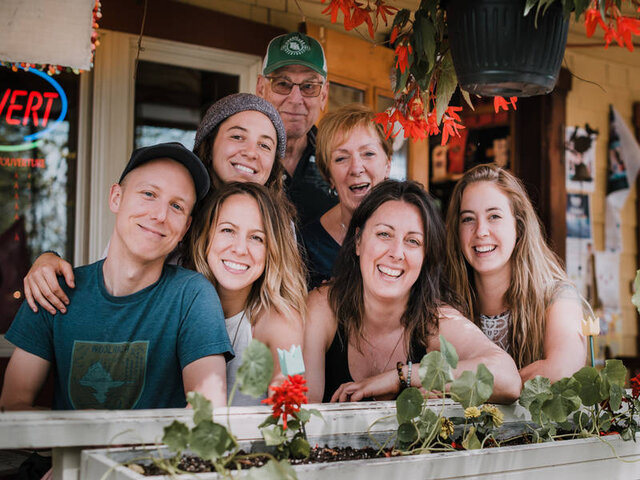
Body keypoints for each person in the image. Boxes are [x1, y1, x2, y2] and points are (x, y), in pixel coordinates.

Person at [0, 143, 232, 410]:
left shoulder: (192, 296)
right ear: (116, 198)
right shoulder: (53, 289)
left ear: (186, 227)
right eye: (149, 194)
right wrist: (86, 434)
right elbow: (13, 405)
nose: (160, 215)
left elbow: (206, 410)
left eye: (177, 206)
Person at [22, 93, 289, 316]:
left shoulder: (282, 227)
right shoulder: (168, 217)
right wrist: (49, 260)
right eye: (237, 137)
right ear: (209, 144)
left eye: (265, 145)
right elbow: (115, 282)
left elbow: (288, 303)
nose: (251, 152)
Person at [303, 180, 522, 403]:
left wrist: (403, 377)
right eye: (384, 234)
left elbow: (508, 380)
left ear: (426, 256)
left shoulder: (434, 318)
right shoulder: (324, 306)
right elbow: (302, 410)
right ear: (358, 241)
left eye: (413, 241)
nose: (397, 253)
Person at [445, 164, 587, 384]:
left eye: (494, 216)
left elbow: (562, 370)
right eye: (468, 219)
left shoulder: (558, 296)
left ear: (519, 227)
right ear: (457, 231)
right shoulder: (446, 302)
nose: (481, 231)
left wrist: (495, 384)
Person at [184, 182, 306, 405]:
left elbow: (291, 381)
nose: (240, 249)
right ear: (206, 236)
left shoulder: (280, 320)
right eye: (228, 230)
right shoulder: (179, 301)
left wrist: (284, 388)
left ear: (272, 251)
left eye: (256, 238)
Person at [301, 103, 391, 289]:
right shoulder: (306, 245)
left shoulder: (414, 233)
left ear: (387, 166)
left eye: (368, 153)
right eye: (341, 158)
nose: (356, 168)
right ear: (329, 176)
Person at [256, 32, 338, 227]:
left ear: (324, 95)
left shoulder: (338, 158)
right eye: (282, 84)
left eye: (309, 86)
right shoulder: (241, 157)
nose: (295, 99)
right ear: (261, 89)